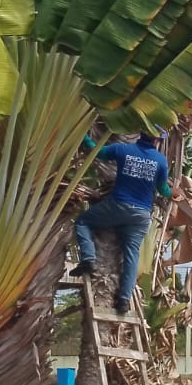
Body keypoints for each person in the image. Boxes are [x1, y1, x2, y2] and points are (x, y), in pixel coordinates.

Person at [72, 130, 171, 313]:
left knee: (83, 222)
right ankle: (124, 300)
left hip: (118, 206)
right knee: (132, 255)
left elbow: (97, 151)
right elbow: (163, 189)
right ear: (156, 141)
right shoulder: (160, 160)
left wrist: (84, 135)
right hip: (141, 215)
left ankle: (88, 259)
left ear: (141, 135)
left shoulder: (123, 149)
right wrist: (174, 192)